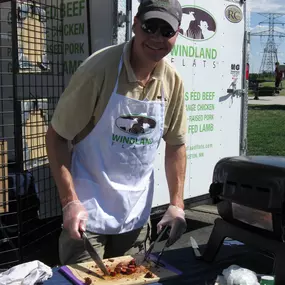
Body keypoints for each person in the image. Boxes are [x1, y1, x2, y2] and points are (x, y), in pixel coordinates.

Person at [46, 0, 187, 265]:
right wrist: (69, 202)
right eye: (150, 26)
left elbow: (176, 144)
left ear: (176, 35)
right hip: (88, 214)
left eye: (166, 31)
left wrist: (176, 203)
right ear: (135, 24)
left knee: (130, 279)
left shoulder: (172, 81)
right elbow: (57, 136)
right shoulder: (98, 70)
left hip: (135, 214)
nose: (157, 38)